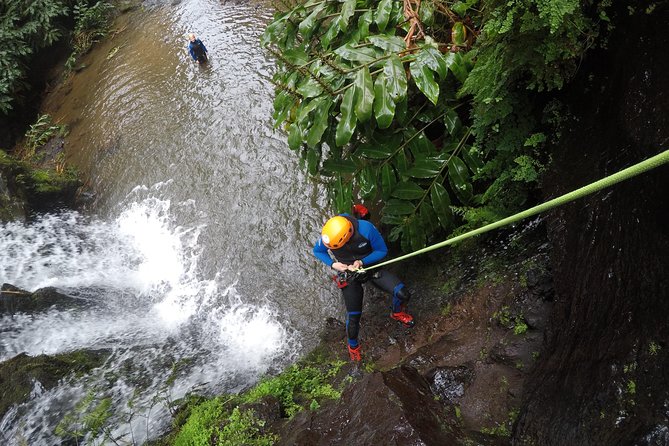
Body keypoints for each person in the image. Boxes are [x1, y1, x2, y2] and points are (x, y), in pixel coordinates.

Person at [313, 211, 414, 362]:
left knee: (403, 294)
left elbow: (382, 251)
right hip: (349, 274)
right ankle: (353, 348)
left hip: (370, 268)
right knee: (353, 318)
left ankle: (397, 312)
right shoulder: (330, 235)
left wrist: (362, 262)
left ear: (347, 236)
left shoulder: (366, 229)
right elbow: (318, 250)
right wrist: (334, 264)